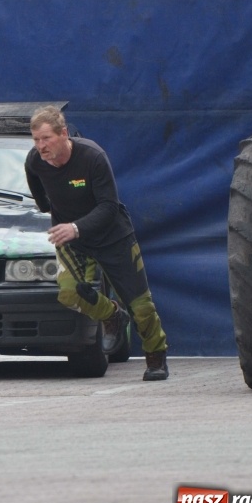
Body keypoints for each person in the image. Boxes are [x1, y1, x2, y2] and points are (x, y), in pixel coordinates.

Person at [24, 106, 169, 381]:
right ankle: (111, 315)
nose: (41, 146)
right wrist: (55, 215)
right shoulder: (34, 161)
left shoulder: (92, 157)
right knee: (69, 293)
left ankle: (156, 356)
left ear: (63, 134)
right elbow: (40, 194)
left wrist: (76, 227)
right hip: (73, 240)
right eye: (36, 140)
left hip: (113, 237)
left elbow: (109, 207)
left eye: (46, 139)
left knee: (141, 306)